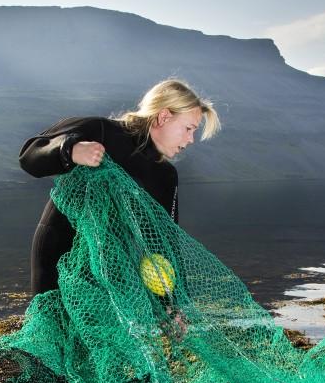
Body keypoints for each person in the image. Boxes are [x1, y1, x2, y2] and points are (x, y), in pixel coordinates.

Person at [19, 79, 220, 295]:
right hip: (59, 252)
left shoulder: (166, 176)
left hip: (111, 267)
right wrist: (70, 150)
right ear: (164, 116)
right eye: (188, 129)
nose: (190, 139)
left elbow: (165, 247)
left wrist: (174, 303)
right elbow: (29, 156)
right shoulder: (101, 131)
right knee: (54, 323)